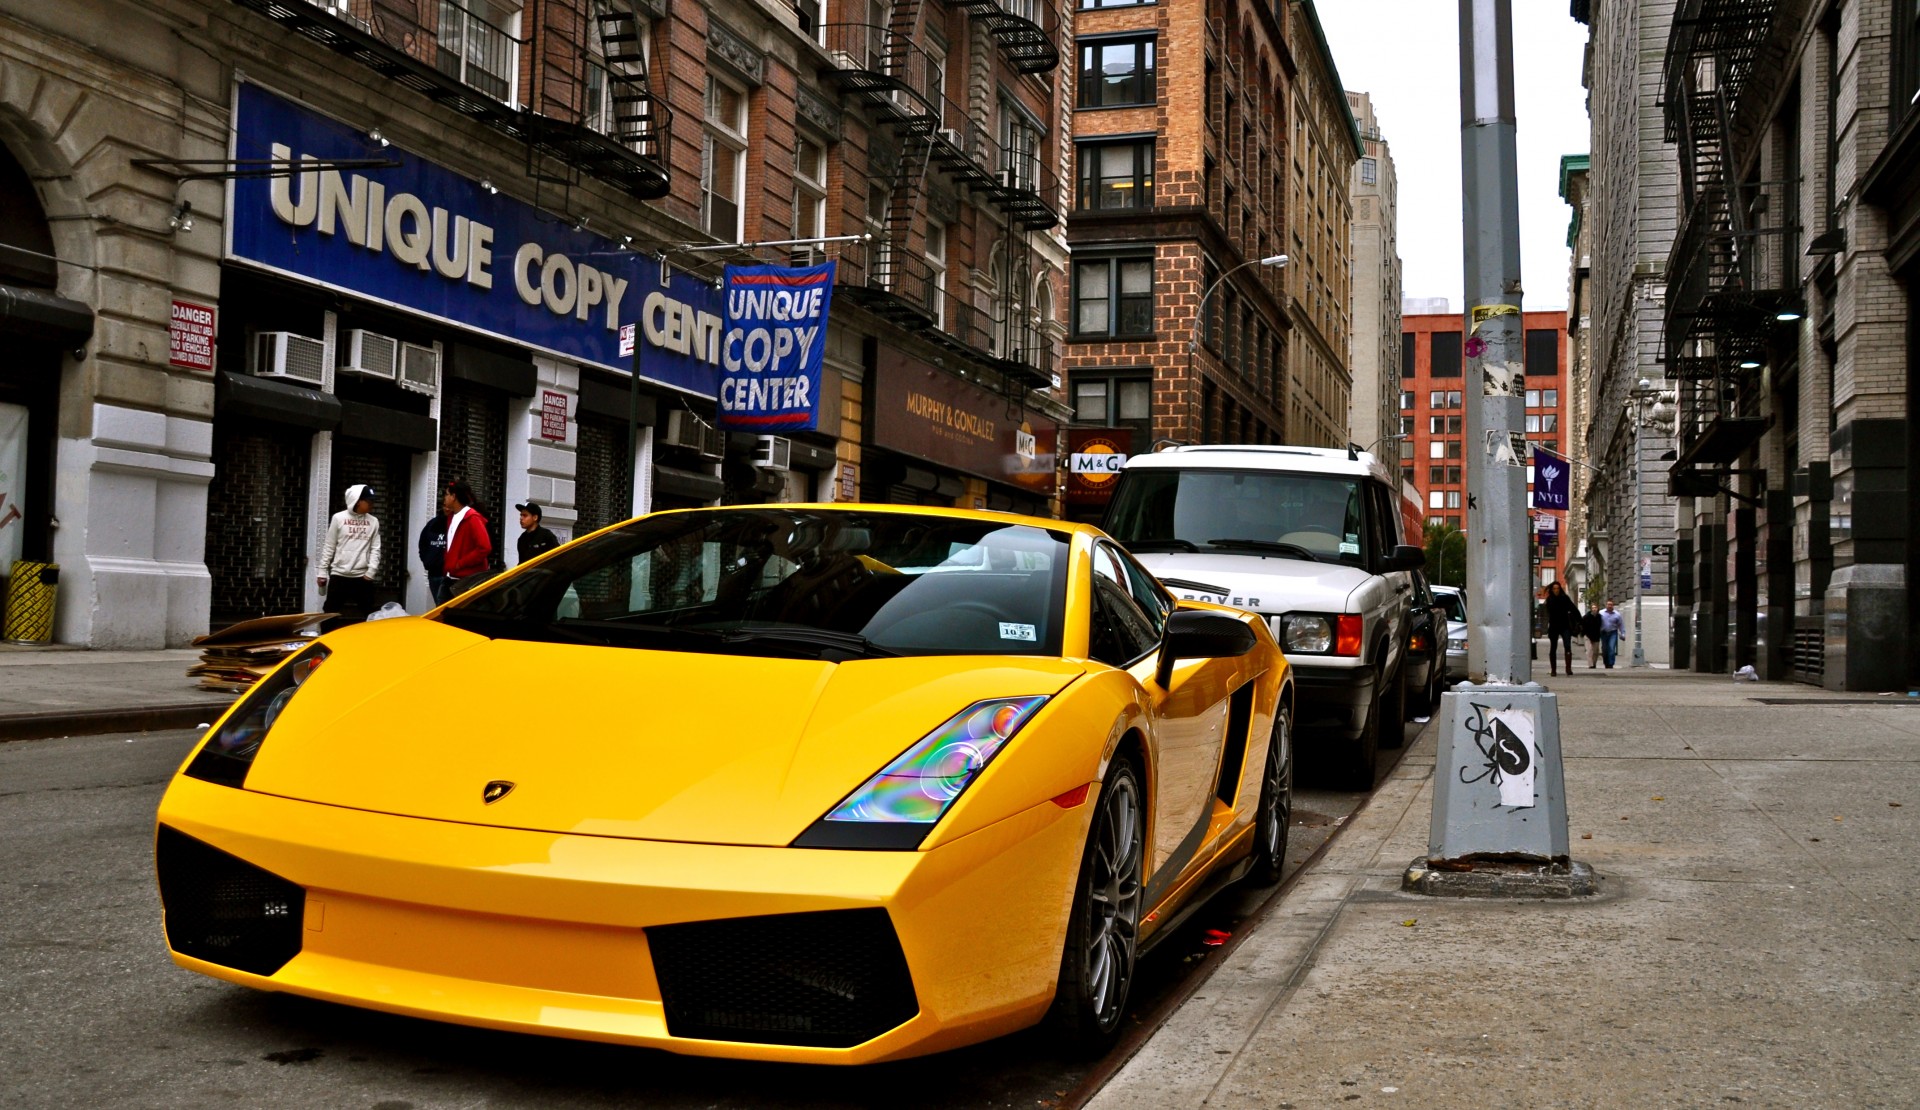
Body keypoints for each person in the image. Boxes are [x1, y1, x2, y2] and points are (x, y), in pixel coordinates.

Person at [317, 483, 381, 626]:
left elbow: (375, 548)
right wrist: (322, 572)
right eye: (369, 501)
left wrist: (371, 572)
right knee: (330, 613)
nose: (372, 504)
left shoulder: (373, 521)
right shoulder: (338, 518)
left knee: (371, 614)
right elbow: (329, 545)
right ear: (358, 501)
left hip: (362, 576)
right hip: (339, 574)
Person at [440, 478, 493, 601]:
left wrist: (460, 564)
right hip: (451, 577)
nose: (445, 498)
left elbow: (484, 547)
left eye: (447, 494)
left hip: (467, 581)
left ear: (454, 496)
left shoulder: (472, 518)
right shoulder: (452, 517)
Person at [1543, 581, 1581, 677]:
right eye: (1554, 589)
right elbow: (1546, 614)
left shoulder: (1565, 598)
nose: (1556, 590)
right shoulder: (1549, 600)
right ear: (1552, 590)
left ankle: (1568, 668)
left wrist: (1580, 621)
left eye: (1558, 588)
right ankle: (1553, 670)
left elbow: (1573, 609)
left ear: (1560, 589)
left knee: (1567, 646)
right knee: (1553, 647)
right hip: (1554, 627)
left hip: (1565, 626)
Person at [417, 507, 448, 606]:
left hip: (449, 574)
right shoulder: (432, 524)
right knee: (439, 605)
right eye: (444, 505)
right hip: (434, 573)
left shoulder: (456, 525)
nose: (447, 508)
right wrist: (427, 561)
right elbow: (423, 544)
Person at [515, 501, 560, 565]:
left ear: (535, 517)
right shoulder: (522, 539)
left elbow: (558, 557)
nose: (521, 518)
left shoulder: (546, 535)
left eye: (525, 515)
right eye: (521, 515)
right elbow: (522, 563)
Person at [1598, 599, 1625, 669]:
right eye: (1608, 604)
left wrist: (1623, 633)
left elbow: (1621, 625)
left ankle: (1611, 664)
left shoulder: (1617, 614)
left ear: (1613, 606)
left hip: (1613, 633)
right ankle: (1606, 662)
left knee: (1611, 648)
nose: (1609, 606)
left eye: (1611, 605)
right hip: (1603, 633)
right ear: (1606, 605)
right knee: (1604, 649)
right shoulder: (1601, 613)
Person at [1582, 603, 1605, 669]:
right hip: (1588, 635)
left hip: (1596, 636)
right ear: (1591, 609)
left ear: (1597, 609)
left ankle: (1594, 663)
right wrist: (1583, 633)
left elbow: (1600, 625)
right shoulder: (1586, 616)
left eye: (1595, 608)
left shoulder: (1599, 617)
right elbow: (1582, 625)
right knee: (1589, 650)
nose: (1594, 609)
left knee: (1596, 651)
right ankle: (1590, 664)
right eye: (1593, 608)